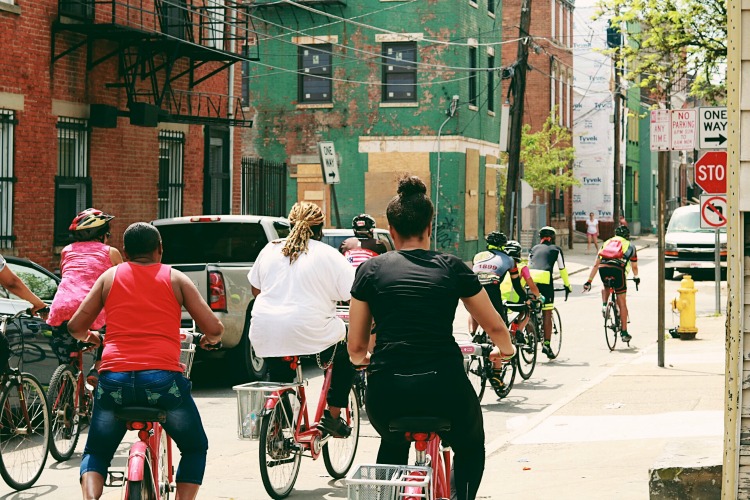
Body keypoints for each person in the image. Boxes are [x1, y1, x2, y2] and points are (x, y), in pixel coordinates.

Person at [347, 175, 515, 500]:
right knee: (470, 446)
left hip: (387, 394)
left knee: (394, 439)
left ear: (391, 230)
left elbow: (355, 347)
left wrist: (361, 359)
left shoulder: (370, 271)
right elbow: (495, 327)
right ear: (429, 226)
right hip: (444, 388)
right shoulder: (452, 268)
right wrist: (504, 353)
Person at [68, 222, 223, 500]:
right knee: (195, 446)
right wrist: (209, 340)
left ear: (125, 252)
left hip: (114, 380)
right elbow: (214, 329)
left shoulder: (109, 277)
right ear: (160, 250)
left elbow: (75, 326)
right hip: (163, 383)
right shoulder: (175, 279)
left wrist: (92, 337)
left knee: (97, 451)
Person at [249, 201, 356, 438]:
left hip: (264, 329)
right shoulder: (330, 255)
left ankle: (279, 420)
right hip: (310, 329)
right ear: (320, 230)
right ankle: (333, 417)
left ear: (289, 225)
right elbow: (352, 295)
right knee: (346, 355)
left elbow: (256, 290)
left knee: (279, 368)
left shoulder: (270, 249)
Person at [47, 208, 123, 385]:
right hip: (92, 310)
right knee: (111, 338)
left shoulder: (66, 251)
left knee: (66, 361)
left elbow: (69, 276)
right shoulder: (110, 252)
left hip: (61, 308)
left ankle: (64, 388)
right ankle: (96, 370)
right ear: (103, 234)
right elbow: (123, 282)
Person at [467, 231, 527, 396]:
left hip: (472, 290)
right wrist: (526, 299)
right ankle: (496, 373)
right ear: (503, 246)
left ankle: (474, 335)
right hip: (492, 292)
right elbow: (516, 284)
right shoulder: (509, 260)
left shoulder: (478, 256)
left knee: (475, 308)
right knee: (498, 330)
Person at [583, 224, 640, 342]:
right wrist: (636, 277)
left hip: (603, 268)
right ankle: (624, 332)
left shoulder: (607, 242)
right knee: (622, 303)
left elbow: (596, 264)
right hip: (618, 270)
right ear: (627, 236)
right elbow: (634, 266)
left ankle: (604, 305)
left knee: (606, 285)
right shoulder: (631, 246)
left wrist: (589, 281)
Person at [529, 226, 572, 359]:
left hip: (530, 279)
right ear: (553, 238)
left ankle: (528, 338)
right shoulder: (556, 249)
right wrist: (567, 285)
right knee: (547, 311)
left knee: (530, 308)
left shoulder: (534, 248)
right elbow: (562, 269)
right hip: (545, 280)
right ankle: (546, 344)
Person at [500, 240, 543, 335]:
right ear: (519, 254)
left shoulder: (500, 264)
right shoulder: (522, 267)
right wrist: (538, 296)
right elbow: (532, 286)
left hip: (499, 298)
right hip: (515, 299)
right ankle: (518, 330)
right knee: (527, 310)